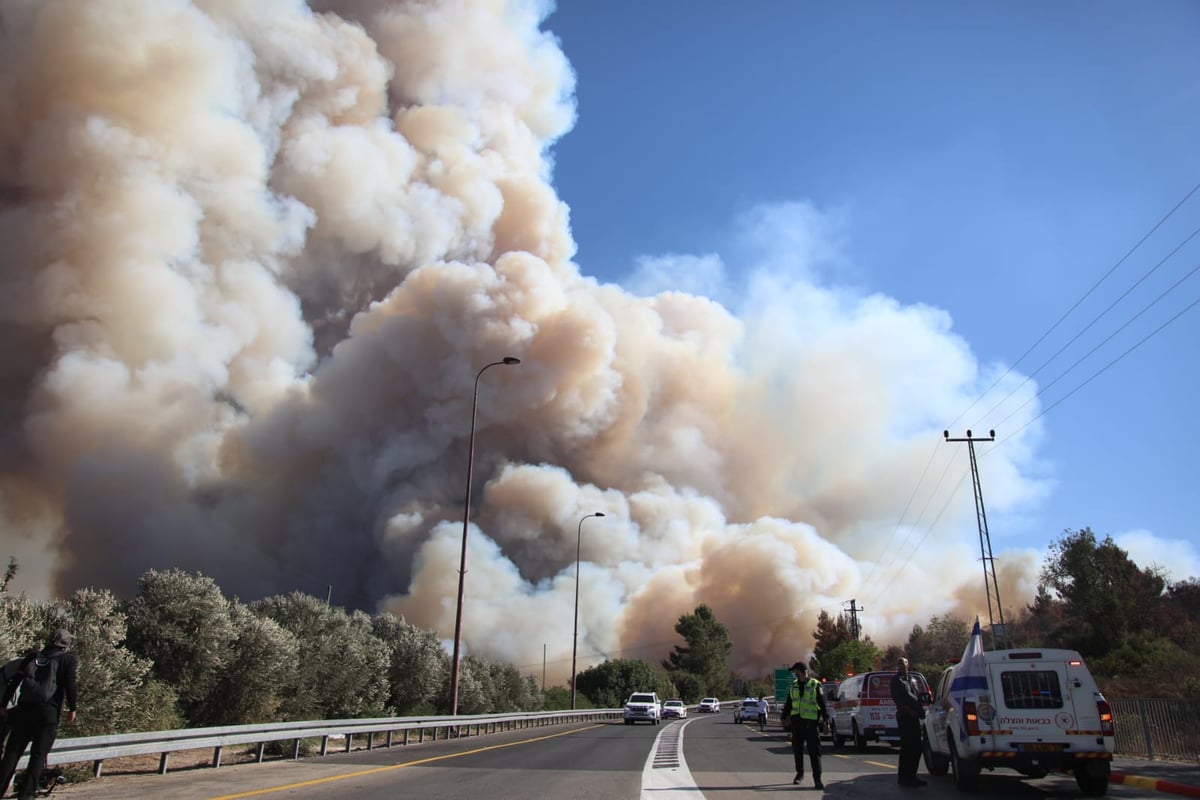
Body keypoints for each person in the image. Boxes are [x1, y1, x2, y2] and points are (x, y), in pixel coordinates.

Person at [0, 630, 78, 800]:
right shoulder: (67, 660)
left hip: (24, 710)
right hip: (48, 713)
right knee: (38, 755)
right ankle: (26, 794)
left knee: (12, 752)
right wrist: (72, 708)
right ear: (66, 645)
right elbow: (70, 685)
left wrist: (4, 704)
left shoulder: (33, 657)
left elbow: (15, 681)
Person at [781, 661, 826, 789]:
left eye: (796, 671)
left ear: (801, 671)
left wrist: (826, 720)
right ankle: (799, 774)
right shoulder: (794, 686)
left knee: (814, 752)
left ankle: (817, 779)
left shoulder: (815, 685)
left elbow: (822, 704)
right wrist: (783, 717)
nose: (795, 674)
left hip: (811, 724)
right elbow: (789, 703)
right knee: (797, 751)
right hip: (797, 724)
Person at [890, 657, 926, 788]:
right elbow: (898, 699)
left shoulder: (912, 679)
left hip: (915, 717)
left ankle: (912, 775)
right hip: (905, 717)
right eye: (898, 663)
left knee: (917, 748)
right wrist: (909, 711)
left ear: (908, 665)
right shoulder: (896, 681)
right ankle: (904, 777)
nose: (901, 665)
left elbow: (916, 697)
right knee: (907, 747)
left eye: (903, 663)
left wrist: (920, 712)